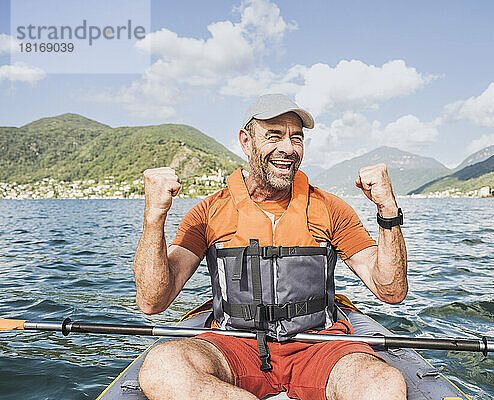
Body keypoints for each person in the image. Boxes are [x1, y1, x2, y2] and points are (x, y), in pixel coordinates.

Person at [134, 94, 408, 400]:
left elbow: (391, 290)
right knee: (162, 367)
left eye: (296, 138)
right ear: (246, 141)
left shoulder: (331, 208)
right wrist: (153, 218)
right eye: (274, 135)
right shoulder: (209, 212)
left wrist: (387, 209)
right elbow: (152, 302)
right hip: (233, 345)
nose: (288, 148)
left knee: (383, 385)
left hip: (319, 346)